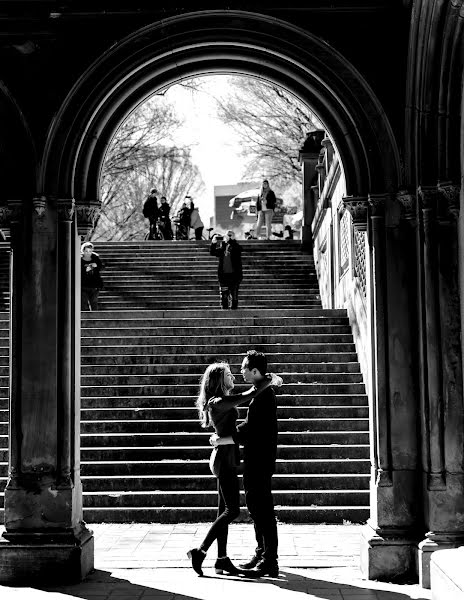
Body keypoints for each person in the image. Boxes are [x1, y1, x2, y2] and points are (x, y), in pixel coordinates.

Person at [186, 362, 273, 577]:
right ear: (219, 379)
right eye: (228, 374)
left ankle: (221, 559)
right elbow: (251, 392)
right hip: (224, 461)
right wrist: (270, 379)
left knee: (223, 510)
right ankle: (200, 552)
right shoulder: (219, 401)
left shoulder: (219, 401)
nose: (233, 376)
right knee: (231, 511)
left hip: (226, 458)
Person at [236, 350, 280, 576]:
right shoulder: (261, 391)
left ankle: (269, 560)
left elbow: (251, 428)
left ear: (255, 371)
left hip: (259, 461)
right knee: (256, 507)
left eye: (244, 368)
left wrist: (228, 433)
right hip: (257, 460)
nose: (241, 371)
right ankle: (262, 552)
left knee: (262, 509)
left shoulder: (263, 395)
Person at [210, 230, 243, 310]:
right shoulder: (223, 246)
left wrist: (231, 240)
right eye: (228, 235)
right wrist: (213, 243)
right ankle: (224, 312)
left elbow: (238, 250)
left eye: (230, 235)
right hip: (224, 276)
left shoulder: (236, 246)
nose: (229, 236)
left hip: (234, 276)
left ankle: (234, 313)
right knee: (224, 296)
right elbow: (213, 252)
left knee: (234, 296)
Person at [81, 242, 104, 311]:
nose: (88, 253)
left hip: (95, 284)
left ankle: (94, 317)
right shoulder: (79, 259)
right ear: (83, 251)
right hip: (83, 284)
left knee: (94, 302)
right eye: (86, 251)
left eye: (90, 251)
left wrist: (96, 266)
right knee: (83, 302)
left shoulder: (96, 258)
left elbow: (101, 267)